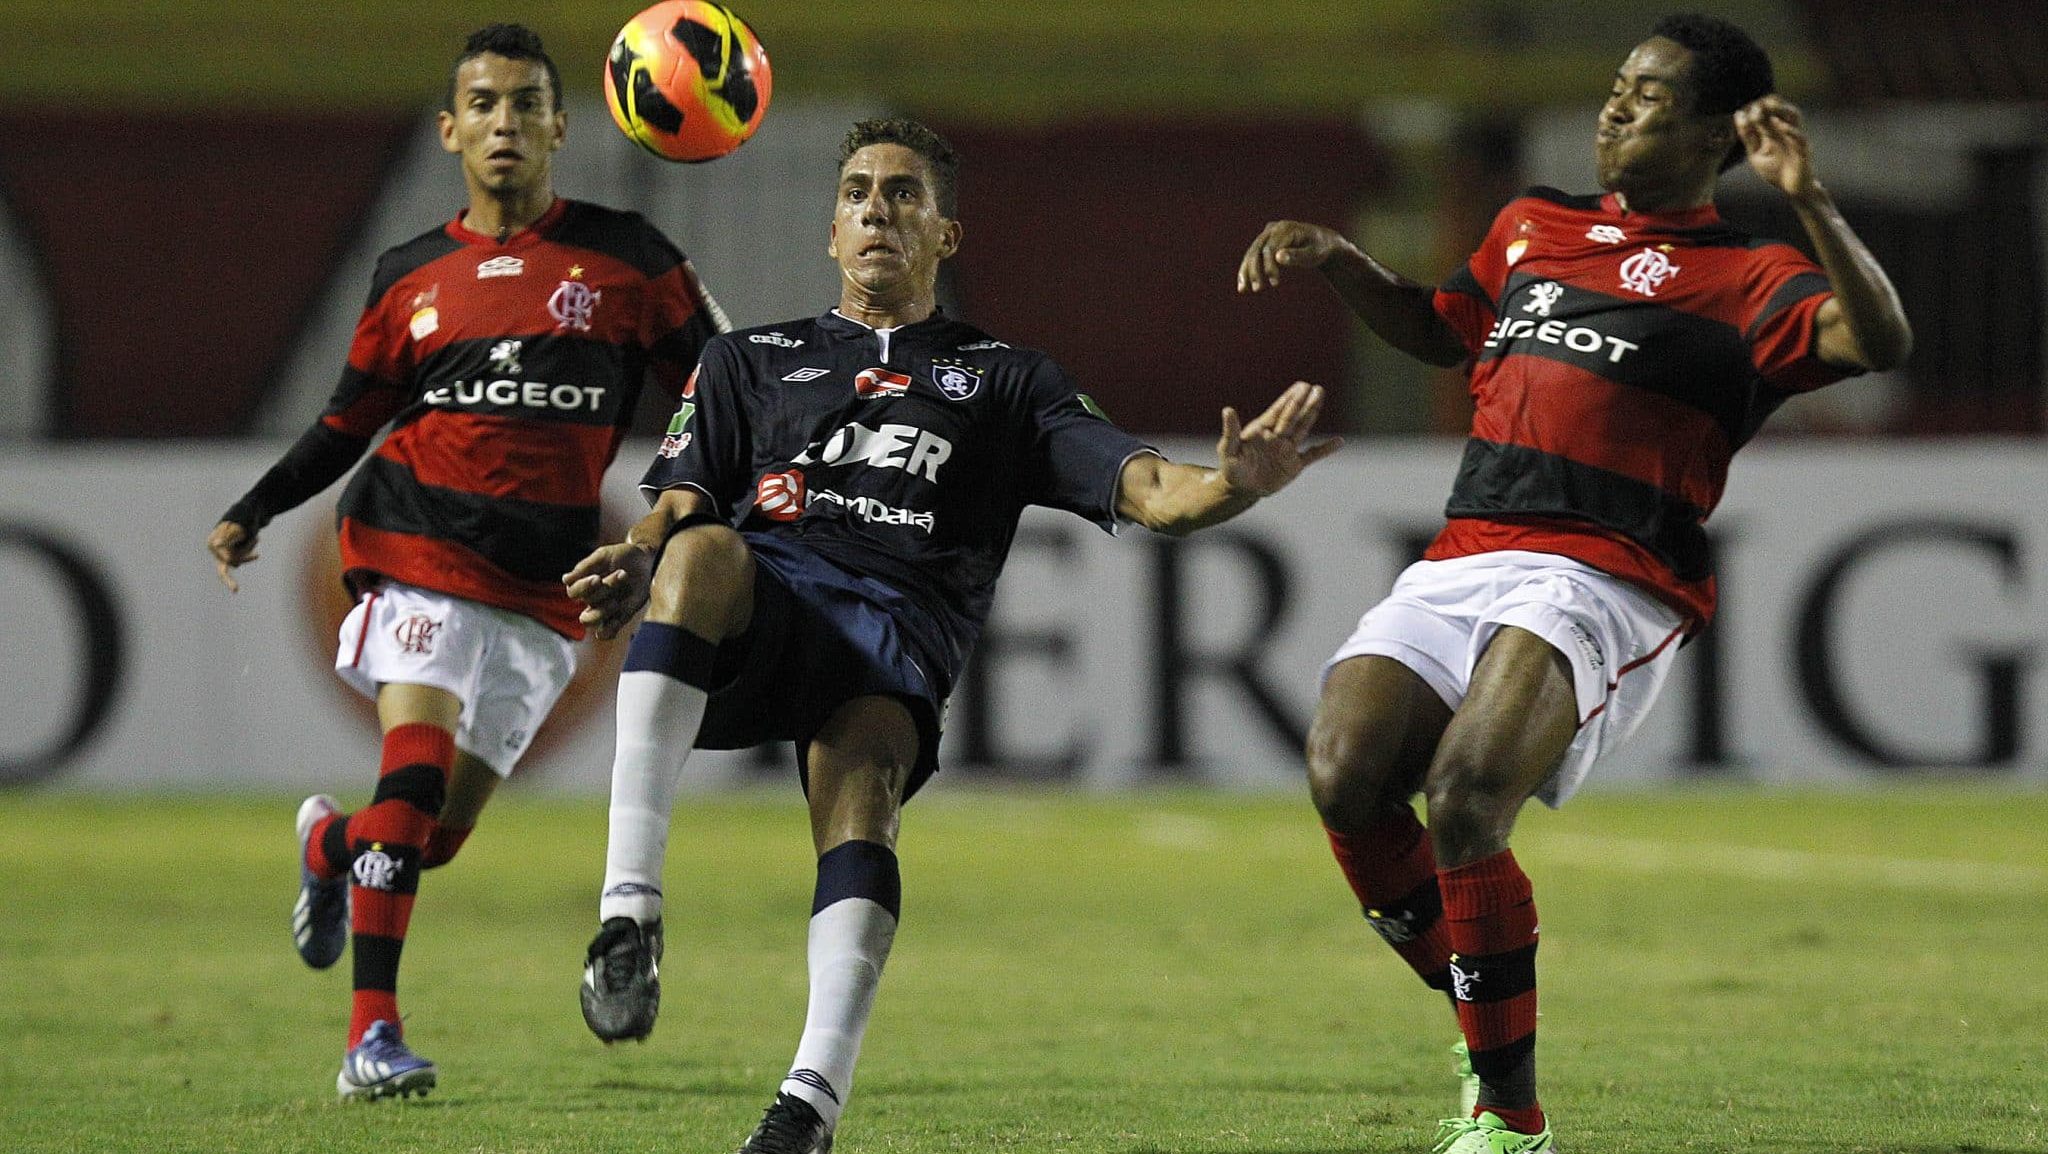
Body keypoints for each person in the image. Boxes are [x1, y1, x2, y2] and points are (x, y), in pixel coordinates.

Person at [565, 117, 1337, 1153]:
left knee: (862, 801)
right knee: (699, 551)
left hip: (894, 636)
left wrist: (1233, 486)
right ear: (830, 232)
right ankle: (629, 914)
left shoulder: (1008, 380)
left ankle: (807, 1104)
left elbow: (1155, 491)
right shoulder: (746, 360)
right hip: (771, 602)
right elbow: (679, 496)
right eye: (855, 193)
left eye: (902, 194)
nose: (875, 210)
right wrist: (639, 552)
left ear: (946, 234)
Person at [1236, 14, 1909, 1154]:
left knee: (1465, 799)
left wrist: (1813, 203)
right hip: (1467, 553)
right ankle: (1483, 1020)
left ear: (1713, 136)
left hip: (1607, 571)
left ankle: (1509, 1117)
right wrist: (1341, 259)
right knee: (1344, 773)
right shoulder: (1530, 224)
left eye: (1648, 97)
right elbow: (1440, 329)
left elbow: (1878, 340)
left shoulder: (1752, 275)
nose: (1614, 108)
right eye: (1616, 86)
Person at [206, 23, 725, 1100]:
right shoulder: (410, 276)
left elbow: (721, 385)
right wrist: (257, 507)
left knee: (428, 837)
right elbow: (349, 419)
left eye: (526, 103)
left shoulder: (628, 259)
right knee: (411, 775)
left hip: (544, 584)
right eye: (483, 104)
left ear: (560, 126)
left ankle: (329, 847)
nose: (504, 123)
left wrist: (689, 496)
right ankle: (371, 1038)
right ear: (449, 130)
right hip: (416, 543)